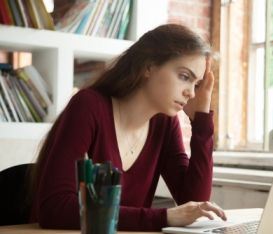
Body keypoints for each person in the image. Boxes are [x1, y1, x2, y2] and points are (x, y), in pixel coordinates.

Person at [29, 24, 227, 231]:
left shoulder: (165, 124)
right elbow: (55, 210)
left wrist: (202, 120)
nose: (191, 93)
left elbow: (194, 204)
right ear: (148, 67)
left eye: (196, 84)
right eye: (185, 77)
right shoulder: (88, 107)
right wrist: (163, 217)